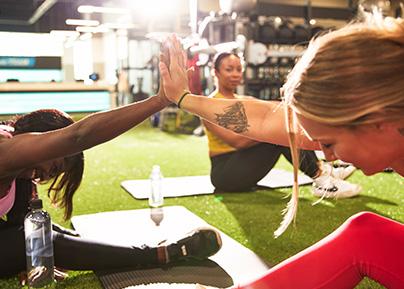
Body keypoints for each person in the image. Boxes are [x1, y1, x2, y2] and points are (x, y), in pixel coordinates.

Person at [159, 11, 404, 289]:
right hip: (227, 171)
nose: (330, 155)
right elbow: (266, 119)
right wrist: (183, 98)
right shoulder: (387, 119)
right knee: (365, 235)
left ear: (377, 120)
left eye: (328, 144)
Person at [0, 78, 222, 279]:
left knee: (44, 231)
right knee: (40, 242)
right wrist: (159, 100)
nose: (47, 176)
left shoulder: (21, 171)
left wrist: (35, 261)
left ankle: (91, 245)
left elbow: (23, 222)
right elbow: (78, 136)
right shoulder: (4, 149)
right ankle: (163, 254)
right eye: (54, 166)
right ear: (39, 139)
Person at [204, 51, 358, 195]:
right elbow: (238, 142)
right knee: (279, 136)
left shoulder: (245, 100)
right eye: (229, 69)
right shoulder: (209, 105)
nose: (235, 74)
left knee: (283, 126)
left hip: (244, 163)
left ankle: (322, 170)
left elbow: (274, 108)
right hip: (226, 174)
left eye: (239, 69)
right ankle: (321, 179)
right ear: (216, 72)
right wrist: (271, 130)